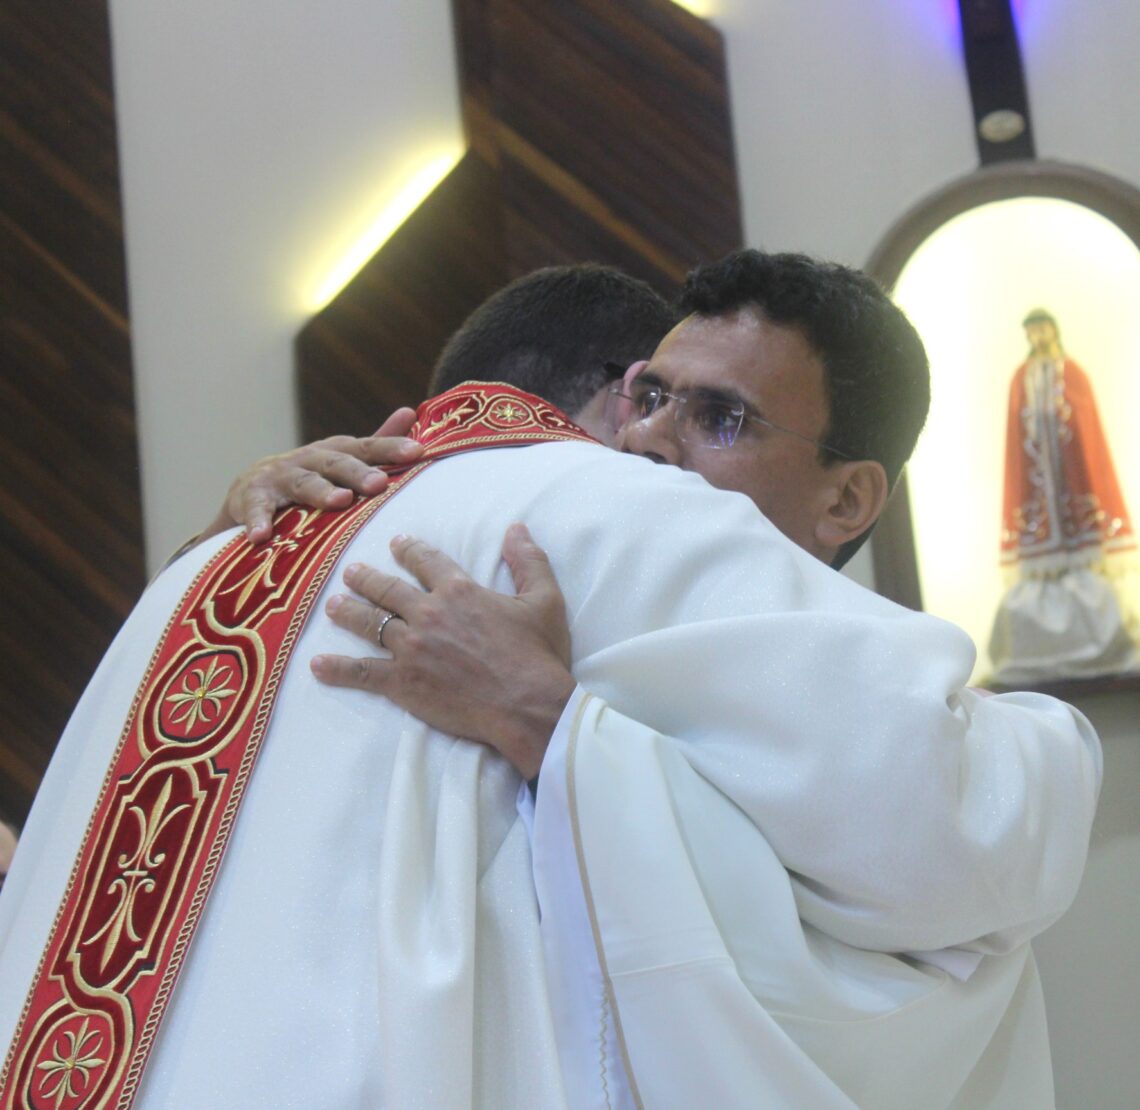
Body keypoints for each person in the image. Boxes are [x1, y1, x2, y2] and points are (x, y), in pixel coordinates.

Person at [0, 256, 1099, 1108]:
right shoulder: (610, 513)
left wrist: (567, 731)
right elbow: (979, 826)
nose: (659, 446)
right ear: (610, 402)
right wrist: (562, 730)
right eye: (653, 398)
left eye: (718, 419)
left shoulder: (212, 553)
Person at [989, 307, 1138, 682]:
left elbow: (1088, 431)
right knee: (1040, 536)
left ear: (1053, 331)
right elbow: (1015, 434)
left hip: (1070, 472)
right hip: (1038, 477)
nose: (1039, 336)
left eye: (1043, 329)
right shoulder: (1021, 378)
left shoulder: (1071, 374)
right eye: (1032, 331)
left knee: (1082, 538)